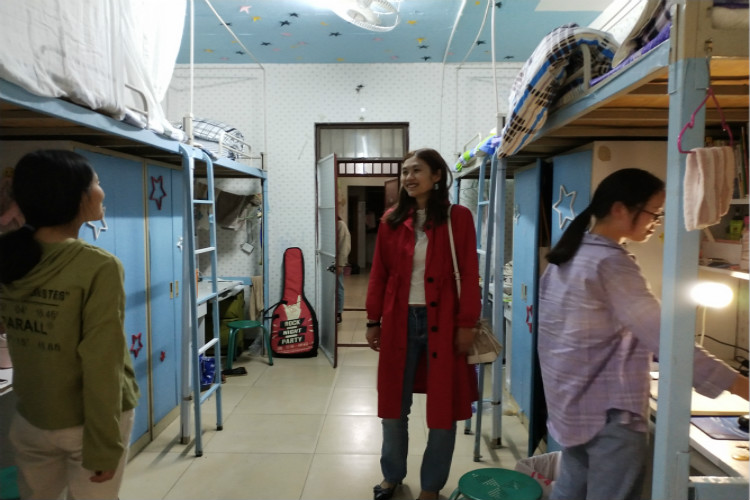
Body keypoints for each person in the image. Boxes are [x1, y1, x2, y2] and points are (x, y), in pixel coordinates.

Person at [538, 168, 749, 500]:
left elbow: (572, 337)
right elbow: (667, 340)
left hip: (571, 407)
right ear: (621, 209)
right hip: (609, 416)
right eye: (655, 213)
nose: (656, 222)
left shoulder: (569, 255)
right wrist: (740, 385)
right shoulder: (611, 263)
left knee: (570, 491)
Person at [0, 150, 140, 500]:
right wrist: (104, 444)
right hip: (88, 425)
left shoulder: (9, 255)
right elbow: (102, 361)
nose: (101, 191)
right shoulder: (98, 266)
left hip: (31, 418)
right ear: (76, 197)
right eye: (96, 182)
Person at [365, 148, 480, 500]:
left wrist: (467, 323)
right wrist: (372, 320)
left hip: (443, 323)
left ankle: (431, 487)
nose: (409, 177)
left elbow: (470, 274)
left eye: (416, 170)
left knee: (443, 408)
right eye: (404, 171)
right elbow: (379, 273)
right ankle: (392, 475)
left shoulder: (458, 218)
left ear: (437, 175)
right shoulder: (391, 220)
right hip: (399, 321)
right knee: (393, 406)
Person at [336, 215, 351, 324]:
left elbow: (344, 245)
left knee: (338, 286)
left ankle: (338, 312)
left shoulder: (340, 224)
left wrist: (340, 264)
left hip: (337, 261)